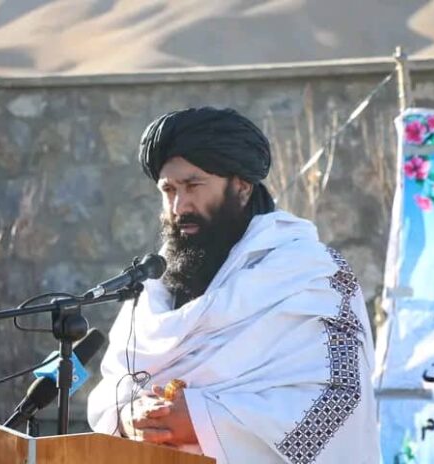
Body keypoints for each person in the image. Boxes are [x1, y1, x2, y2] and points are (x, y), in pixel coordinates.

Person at [87, 107, 379, 463]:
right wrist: (130, 417)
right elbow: (114, 387)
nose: (179, 206)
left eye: (193, 186)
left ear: (241, 187)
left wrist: (204, 420)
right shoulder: (154, 283)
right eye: (168, 190)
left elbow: (341, 397)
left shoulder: (311, 274)